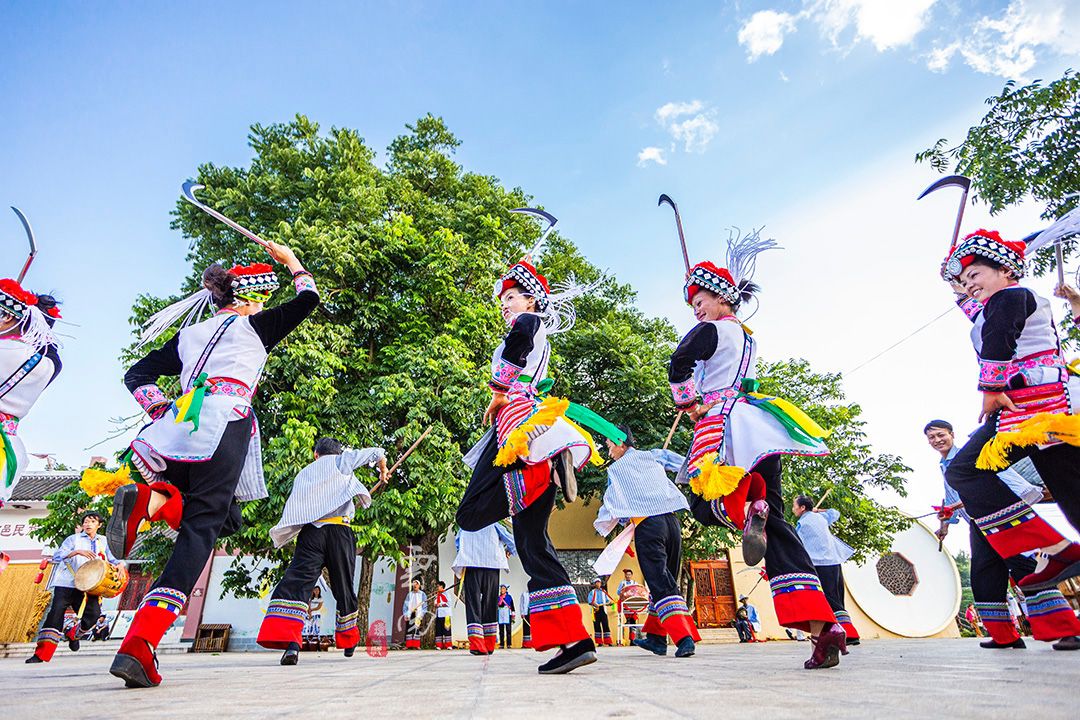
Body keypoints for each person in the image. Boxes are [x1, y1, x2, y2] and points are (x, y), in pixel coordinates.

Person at [106, 242, 319, 688]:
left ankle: (151, 498)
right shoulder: (255, 327)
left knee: (225, 518)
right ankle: (140, 643)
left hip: (177, 428)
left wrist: (164, 411)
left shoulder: (190, 335)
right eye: (262, 297)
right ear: (251, 298)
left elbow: (135, 376)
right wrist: (291, 259)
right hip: (225, 423)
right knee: (202, 528)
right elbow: (309, 298)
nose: (264, 304)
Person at [670, 232, 844, 669]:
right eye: (693, 304)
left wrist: (688, 400)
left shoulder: (711, 329)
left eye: (702, 299)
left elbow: (679, 360)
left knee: (699, 501)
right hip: (760, 426)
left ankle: (750, 505)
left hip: (726, 424)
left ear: (725, 298)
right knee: (779, 526)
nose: (697, 309)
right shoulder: (746, 336)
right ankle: (825, 627)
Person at [457, 256, 611, 675]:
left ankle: (541, 469)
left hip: (521, 430)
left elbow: (518, 339)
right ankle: (575, 640)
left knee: (469, 514)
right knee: (531, 543)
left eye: (511, 296)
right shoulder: (529, 327)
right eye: (503, 299)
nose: (504, 304)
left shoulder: (528, 323)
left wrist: (497, 391)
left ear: (530, 299)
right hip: (536, 430)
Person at [936, 230, 1080, 649]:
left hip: (1042, 413)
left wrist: (991, 387)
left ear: (1006, 269)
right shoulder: (994, 302)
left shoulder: (1014, 297)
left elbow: (999, 338)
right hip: (1024, 415)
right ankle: (1053, 548)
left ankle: (1055, 551)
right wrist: (951, 280)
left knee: (1072, 498)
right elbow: (977, 316)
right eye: (964, 281)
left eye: (975, 275)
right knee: (969, 471)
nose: (969, 285)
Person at [925, 419, 1077, 650]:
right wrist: (946, 523)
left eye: (940, 435)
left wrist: (1017, 511)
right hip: (978, 523)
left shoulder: (968, 457)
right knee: (983, 576)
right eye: (931, 437)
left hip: (1002, 518)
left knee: (1026, 569)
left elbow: (1004, 482)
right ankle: (1004, 635)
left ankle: (1066, 630)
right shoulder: (946, 467)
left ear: (952, 434)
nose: (937, 440)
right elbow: (956, 502)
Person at [255, 436, 387, 664]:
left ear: (316, 455)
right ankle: (348, 639)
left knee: (297, 583)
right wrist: (383, 471)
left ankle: (292, 646)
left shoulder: (304, 473)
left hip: (311, 534)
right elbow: (377, 451)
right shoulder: (341, 462)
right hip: (339, 531)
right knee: (343, 586)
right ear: (337, 453)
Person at [594, 426, 698, 657]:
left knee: (661, 582)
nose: (608, 451)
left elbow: (612, 505)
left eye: (609, 445)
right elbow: (685, 465)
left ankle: (684, 638)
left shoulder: (616, 470)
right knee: (664, 579)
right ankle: (656, 638)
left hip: (648, 527)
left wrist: (605, 524)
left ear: (620, 442)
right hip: (672, 522)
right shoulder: (653, 455)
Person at [27, 511, 123, 663]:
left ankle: (73, 634)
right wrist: (76, 552)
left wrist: (120, 565)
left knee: (94, 615)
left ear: (99, 525)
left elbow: (113, 559)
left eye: (92, 521)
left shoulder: (103, 541)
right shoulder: (73, 539)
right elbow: (58, 555)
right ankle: (41, 654)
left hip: (90, 585)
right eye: (85, 522)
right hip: (66, 582)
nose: (87, 524)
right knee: (56, 613)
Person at [0, 281, 61, 507]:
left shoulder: (4, 351)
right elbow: (53, 354)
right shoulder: (46, 364)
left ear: (7, 317)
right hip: (8, 450)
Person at [792, 496, 860, 646]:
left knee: (829, 599)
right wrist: (818, 510)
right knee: (837, 597)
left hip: (819, 564)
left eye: (794, 506)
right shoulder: (821, 518)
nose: (793, 509)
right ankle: (846, 632)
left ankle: (847, 633)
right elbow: (835, 513)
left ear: (802, 508)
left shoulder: (802, 524)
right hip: (834, 561)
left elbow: (796, 546)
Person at [452, 522, 516, 654]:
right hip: (491, 566)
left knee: (473, 605)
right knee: (490, 604)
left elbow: (458, 544)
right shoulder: (494, 524)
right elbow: (511, 540)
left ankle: (477, 645)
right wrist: (509, 551)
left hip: (471, 566)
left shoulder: (466, 525)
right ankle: (489, 644)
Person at [586, 579, 614, 648]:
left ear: (601, 584)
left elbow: (608, 601)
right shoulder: (592, 592)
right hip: (595, 610)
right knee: (597, 626)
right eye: (596, 583)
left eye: (599, 582)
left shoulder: (604, 592)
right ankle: (599, 642)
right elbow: (590, 601)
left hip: (603, 609)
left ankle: (608, 642)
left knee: (605, 625)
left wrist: (610, 603)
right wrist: (595, 604)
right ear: (595, 584)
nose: (598, 584)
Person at [616, 568, 642, 643]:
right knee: (629, 619)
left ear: (631, 575)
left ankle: (632, 640)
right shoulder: (622, 583)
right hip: (625, 602)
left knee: (633, 622)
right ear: (625, 575)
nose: (628, 576)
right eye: (627, 574)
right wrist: (622, 589)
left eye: (629, 574)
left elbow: (637, 591)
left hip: (633, 603)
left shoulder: (634, 582)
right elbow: (618, 592)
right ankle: (628, 620)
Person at [402, 579, 428, 649]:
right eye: (414, 584)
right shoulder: (409, 594)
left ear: (419, 585)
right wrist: (405, 614)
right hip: (410, 613)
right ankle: (408, 645)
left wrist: (422, 614)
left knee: (417, 628)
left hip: (418, 613)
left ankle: (416, 645)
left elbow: (425, 605)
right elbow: (405, 604)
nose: (415, 585)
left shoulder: (422, 594)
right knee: (409, 629)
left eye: (416, 584)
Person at [434, 581, 453, 650]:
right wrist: (436, 604)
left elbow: (449, 603)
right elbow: (435, 603)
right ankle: (439, 645)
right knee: (439, 629)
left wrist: (441, 604)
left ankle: (448, 645)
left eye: (438, 586)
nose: (437, 587)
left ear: (442, 586)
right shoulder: (437, 595)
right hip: (439, 613)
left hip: (446, 613)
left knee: (447, 629)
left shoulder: (447, 593)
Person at [497, 584, 515, 649]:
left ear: (506, 590)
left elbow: (512, 605)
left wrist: (513, 613)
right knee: (501, 630)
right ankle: (501, 644)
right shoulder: (499, 597)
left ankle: (509, 644)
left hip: (508, 614)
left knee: (508, 630)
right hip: (501, 614)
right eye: (501, 589)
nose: (502, 590)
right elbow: (498, 605)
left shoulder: (509, 597)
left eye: (503, 589)